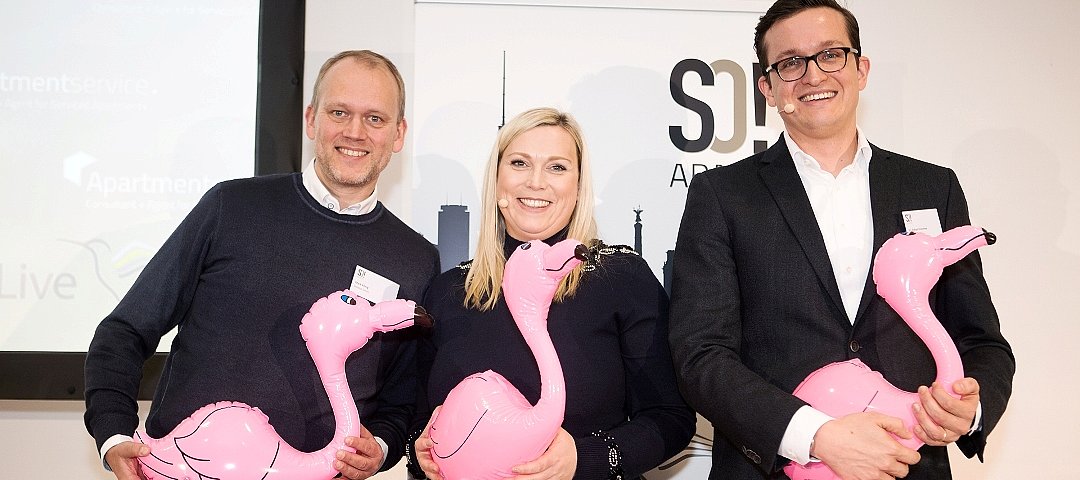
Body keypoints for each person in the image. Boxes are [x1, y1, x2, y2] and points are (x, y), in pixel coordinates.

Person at [668, 1, 1015, 479]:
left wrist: (970, 408)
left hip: (910, 465)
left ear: (861, 68)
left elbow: (982, 339)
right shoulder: (722, 195)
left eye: (831, 54)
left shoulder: (933, 187)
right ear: (767, 87)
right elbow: (700, 355)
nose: (813, 75)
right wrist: (815, 435)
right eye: (790, 62)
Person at [83, 50, 440, 480]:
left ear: (398, 134)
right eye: (339, 112)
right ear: (311, 120)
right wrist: (113, 432)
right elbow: (125, 330)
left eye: (375, 119)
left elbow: (400, 400)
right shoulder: (230, 207)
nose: (354, 131)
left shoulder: (416, 258)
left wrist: (380, 448)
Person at [409, 107, 695, 479]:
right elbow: (414, 418)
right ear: (496, 180)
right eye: (519, 163)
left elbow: (671, 418)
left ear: (578, 187)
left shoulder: (622, 278)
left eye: (557, 167)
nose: (536, 182)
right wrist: (420, 449)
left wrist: (585, 457)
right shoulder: (448, 292)